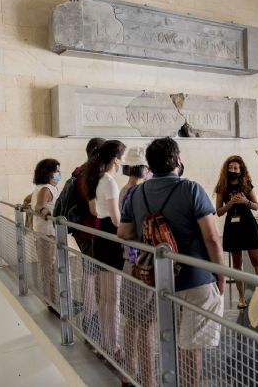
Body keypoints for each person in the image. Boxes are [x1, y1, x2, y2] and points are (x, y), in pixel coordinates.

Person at [118, 137, 225, 387]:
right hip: (195, 279)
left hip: (159, 279)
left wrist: (149, 237)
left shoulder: (137, 192)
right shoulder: (191, 189)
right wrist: (220, 274)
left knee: (167, 337)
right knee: (191, 345)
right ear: (178, 160)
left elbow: (123, 233)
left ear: (150, 165)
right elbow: (211, 238)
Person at [84, 139, 127, 355]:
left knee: (105, 299)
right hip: (111, 236)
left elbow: (96, 210)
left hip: (101, 238)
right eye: (122, 156)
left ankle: (106, 342)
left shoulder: (98, 179)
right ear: (116, 159)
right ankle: (112, 345)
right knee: (113, 298)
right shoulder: (109, 181)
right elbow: (116, 218)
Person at [117, 148, 154, 387]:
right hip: (143, 262)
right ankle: (149, 380)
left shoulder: (124, 190)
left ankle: (129, 372)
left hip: (129, 262)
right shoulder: (141, 192)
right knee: (147, 323)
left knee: (132, 320)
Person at [66, 137, 105, 340]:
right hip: (90, 231)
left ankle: (91, 317)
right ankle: (90, 319)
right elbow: (95, 209)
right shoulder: (90, 175)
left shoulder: (79, 171)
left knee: (90, 273)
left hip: (84, 230)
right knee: (91, 275)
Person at [214, 155, 258, 309]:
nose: (233, 170)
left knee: (256, 260)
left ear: (241, 169)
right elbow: (219, 211)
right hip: (233, 227)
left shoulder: (247, 184)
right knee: (237, 263)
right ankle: (241, 297)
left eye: (236, 168)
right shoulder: (222, 187)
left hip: (248, 225)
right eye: (230, 168)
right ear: (226, 169)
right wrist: (230, 203)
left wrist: (245, 201)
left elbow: (256, 207)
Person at [24, 158, 61, 312]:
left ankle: (52, 301)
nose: (59, 173)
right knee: (49, 268)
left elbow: (27, 200)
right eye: (57, 170)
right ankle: (51, 303)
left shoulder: (40, 188)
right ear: (49, 173)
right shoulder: (46, 189)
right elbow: (39, 206)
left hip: (45, 233)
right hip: (48, 234)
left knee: (49, 267)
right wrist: (46, 213)